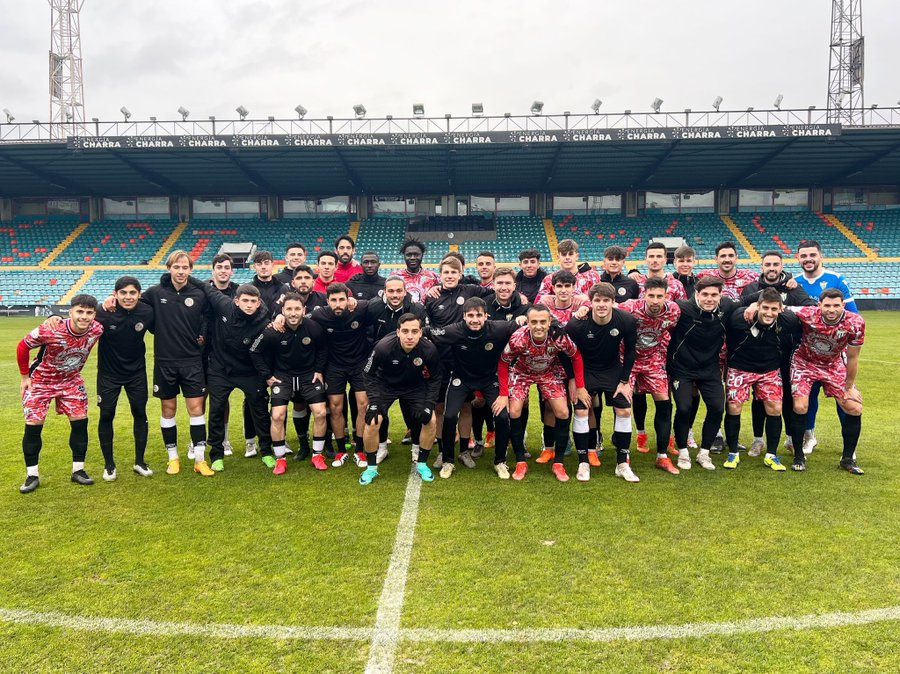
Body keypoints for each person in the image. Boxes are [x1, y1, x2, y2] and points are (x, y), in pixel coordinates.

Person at [17, 295, 103, 493]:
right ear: (70, 311)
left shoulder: (97, 329)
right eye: (80, 312)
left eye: (89, 313)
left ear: (94, 315)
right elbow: (23, 346)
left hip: (70, 381)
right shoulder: (51, 329)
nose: (84, 317)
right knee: (33, 427)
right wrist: (24, 377)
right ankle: (32, 475)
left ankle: (78, 470)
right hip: (41, 381)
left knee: (80, 423)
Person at [496, 304, 590, 482]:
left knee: (563, 412)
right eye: (534, 322)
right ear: (528, 323)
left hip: (548, 372)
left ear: (549, 323)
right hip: (521, 372)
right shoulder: (518, 339)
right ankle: (520, 461)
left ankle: (559, 463)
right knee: (514, 410)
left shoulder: (559, 337)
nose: (538, 326)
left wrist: (579, 385)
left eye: (542, 322)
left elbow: (576, 356)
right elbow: (503, 362)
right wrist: (503, 394)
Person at [189, 278, 273, 473]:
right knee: (217, 409)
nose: (250, 305)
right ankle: (216, 455)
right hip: (221, 369)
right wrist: (176, 277)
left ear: (259, 303)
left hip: (249, 371)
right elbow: (205, 287)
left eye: (253, 301)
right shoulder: (223, 304)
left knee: (259, 409)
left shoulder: (264, 319)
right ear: (236, 301)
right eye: (245, 301)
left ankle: (267, 451)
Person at [139, 250, 211, 476]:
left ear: (191, 270)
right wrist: (112, 301)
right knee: (168, 409)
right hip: (165, 362)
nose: (180, 272)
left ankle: (200, 460)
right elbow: (135, 308)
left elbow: (208, 318)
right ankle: (173, 458)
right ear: (169, 268)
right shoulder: (154, 293)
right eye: (176, 267)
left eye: (185, 268)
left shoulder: (199, 294)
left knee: (196, 409)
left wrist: (202, 334)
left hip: (192, 362)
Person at [428, 298, 516, 479]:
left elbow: (525, 323)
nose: (474, 319)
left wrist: (524, 319)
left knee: (502, 416)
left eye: (478, 315)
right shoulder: (454, 330)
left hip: (489, 379)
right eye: (470, 316)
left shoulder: (499, 328)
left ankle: (500, 462)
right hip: (462, 378)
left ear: (486, 316)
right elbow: (428, 332)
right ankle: (448, 460)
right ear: (464, 317)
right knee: (450, 415)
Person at [740, 250, 816, 456]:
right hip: (759, 352)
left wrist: (784, 308)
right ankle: (758, 440)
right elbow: (741, 302)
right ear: (762, 267)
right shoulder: (752, 288)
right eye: (768, 265)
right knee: (759, 398)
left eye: (776, 264)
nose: (772, 268)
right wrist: (758, 301)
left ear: (782, 266)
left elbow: (811, 307)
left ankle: (791, 438)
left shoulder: (793, 287)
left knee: (789, 398)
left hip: (788, 352)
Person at [784, 288, 865, 474]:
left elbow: (853, 358)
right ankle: (798, 455)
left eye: (836, 305)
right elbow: (781, 307)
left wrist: (849, 386)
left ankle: (847, 459)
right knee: (800, 406)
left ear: (843, 305)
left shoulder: (855, 323)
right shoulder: (808, 313)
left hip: (833, 364)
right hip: (804, 362)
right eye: (827, 305)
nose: (831, 309)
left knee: (854, 407)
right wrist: (755, 305)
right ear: (819, 305)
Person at [566, 283, 639, 482]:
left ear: (613, 302)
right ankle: (583, 462)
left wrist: (624, 381)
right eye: (597, 300)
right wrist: (574, 380)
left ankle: (622, 463)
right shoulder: (576, 324)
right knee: (581, 410)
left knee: (624, 410)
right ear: (590, 302)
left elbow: (631, 351)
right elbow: (566, 352)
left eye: (606, 300)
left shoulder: (626, 320)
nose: (601, 304)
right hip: (586, 371)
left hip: (612, 370)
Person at [792, 239, 859, 455]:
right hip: (806, 354)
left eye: (812, 255)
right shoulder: (794, 282)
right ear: (798, 258)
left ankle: (848, 446)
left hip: (833, 355)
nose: (808, 259)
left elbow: (853, 316)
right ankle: (808, 436)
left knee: (845, 398)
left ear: (820, 256)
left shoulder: (836, 279)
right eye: (804, 256)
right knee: (807, 398)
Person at [250, 292, 329, 474]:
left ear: (304, 310)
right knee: (277, 415)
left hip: (308, 376)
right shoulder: (273, 330)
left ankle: (317, 455)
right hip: (282, 377)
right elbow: (254, 351)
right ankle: (280, 459)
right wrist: (268, 376)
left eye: (297, 309)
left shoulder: (314, 328)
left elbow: (323, 348)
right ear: (282, 311)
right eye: (289, 309)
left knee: (320, 413)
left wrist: (318, 369)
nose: (293, 313)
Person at [723, 288, 801, 471]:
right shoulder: (739, 318)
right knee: (734, 407)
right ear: (757, 306)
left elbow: (806, 319)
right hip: (739, 368)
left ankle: (771, 455)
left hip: (769, 370)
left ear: (781, 309)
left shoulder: (787, 320)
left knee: (775, 408)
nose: (769, 313)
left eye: (774, 309)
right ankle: (733, 453)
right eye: (765, 308)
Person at [361, 314, 443, 485]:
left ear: (421, 333)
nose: (410, 336)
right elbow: (367, 374)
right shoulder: (383, 347)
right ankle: (370, 468)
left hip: (414, 386)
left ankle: (421, 463)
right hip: (385, 385)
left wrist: (429, 404)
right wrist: (374, 401)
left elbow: (436, 378)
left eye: (414, 331)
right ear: (398, 332)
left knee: (431, 420)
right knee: (372, 421)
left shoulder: (429, 349)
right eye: (405, 331)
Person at [668, 276, 739, 471]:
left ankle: (704, 453)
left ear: (720, 295)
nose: (709, 298)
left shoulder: (727, 306)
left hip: (709, 368)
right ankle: (682, 451)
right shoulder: (682, 308)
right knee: (684, 408)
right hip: (681, 368)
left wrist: (752, 307)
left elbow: (750, 299)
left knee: (717, 407)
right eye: (705, 294)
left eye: (714, 295)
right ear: (697, 294)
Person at [617, 277, 681, 475]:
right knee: (623, 405)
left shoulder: (673, 310)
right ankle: (623, 455)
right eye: (650, 295)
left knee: (664, 402)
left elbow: (670, 331)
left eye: (659, 296)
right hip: (628, 360)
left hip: (654, 361)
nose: (654, 300)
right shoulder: (629, 307)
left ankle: (662, 456)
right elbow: (608, 311)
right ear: (644, 294)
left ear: (666, 296)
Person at [94, 277, 155, 480]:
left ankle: (139, 461)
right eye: (123, 293)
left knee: (139, 412)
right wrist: (55, 317)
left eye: (132, 293)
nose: (128, 297)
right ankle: (109, 465)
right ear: (115, 294)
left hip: (136, 373)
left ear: (139, 294)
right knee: (106, 415)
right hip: (108, 374)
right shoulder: (102, 311)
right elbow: (79, 318)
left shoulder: (147, 311)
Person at [308, 282, 373, 468]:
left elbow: (379, 303)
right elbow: (297, 318)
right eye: (334, 300)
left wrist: (356, 301)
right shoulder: (320, 314)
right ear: (327, 301)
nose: (338, 304)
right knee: (336, 408)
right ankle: (341, 451)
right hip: (334, 367)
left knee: (363, 405)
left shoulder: (359, 308)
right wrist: (280, 316)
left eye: (342, 299)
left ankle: (360, 449)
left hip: (359, 364)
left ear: (348, 299)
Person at [396, 238, 439, 303]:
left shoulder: (433, 277)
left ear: (422, 255)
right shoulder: (395, 277)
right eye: (409, 255)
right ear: (404, 256)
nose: (412, 258)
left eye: (416, 254)